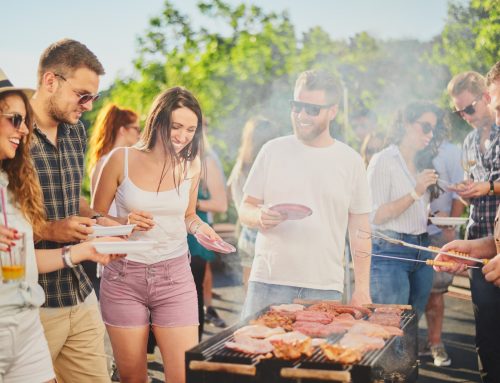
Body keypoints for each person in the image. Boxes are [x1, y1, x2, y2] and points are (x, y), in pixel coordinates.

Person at [0, 69, 123, 383]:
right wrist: (52, 231)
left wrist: (90, 242)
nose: (24, 130)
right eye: (15, 119)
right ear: (51, 81)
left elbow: (24, 255)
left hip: (33, 314)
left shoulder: (11, 182)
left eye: (24, 120)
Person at [93, 87, 221, 383]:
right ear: (157, 121)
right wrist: (123, 222)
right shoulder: (119, 159)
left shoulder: (192, 164)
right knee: (134, 378)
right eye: (176, 126)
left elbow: (188, 215)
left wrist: (202, 229)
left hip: (174, 276)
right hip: (124, 277)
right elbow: (95, 217)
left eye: (191, 129)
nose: (183, 136)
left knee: (182, 376)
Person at [238, 70, 372, 318]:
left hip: (323, 286)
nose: (301, 115)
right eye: (296, 106)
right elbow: (245, 208)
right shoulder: (272, 150)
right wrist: (258, 216)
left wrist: (362, 288)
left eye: (312, 109)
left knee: (317, 356)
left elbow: (360, 230)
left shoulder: (350, 160)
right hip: (268, 281)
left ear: (332, 111)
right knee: (252, 354)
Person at [29, 39, 121, 383]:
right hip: (33, 302)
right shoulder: (12, 135)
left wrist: (102, 220)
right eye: (82, 94)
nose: (88, 105)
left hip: (79, 292)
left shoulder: (76, 131)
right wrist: (51, 230)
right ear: (51, 81)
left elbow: (71, 198)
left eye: (93, 97)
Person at [445, 70, 500, 382]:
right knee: (486, 330)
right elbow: (476, 190)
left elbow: (489, 187)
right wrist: (466, 192)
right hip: (479, 238)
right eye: (458, 111)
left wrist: (487, 188)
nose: (464, 116)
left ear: (487, 97)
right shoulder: (467, 141)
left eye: (469, 108)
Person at [367, 101, 440, 320]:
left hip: (422, 249)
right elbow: (376, 216)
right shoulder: (383, 160)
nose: (430, 134)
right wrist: (416, 192)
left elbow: (414, 210)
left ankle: (410, 356)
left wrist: (434, 218)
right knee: (390, 329)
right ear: (407, 124)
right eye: (425, 127)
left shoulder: (422, 162)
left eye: (433, 129)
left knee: (411, 327)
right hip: (390, 251)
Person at [421, 110, 465, 367]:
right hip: (414, 231)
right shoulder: (412, 149)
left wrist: (449, 228)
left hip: (440, 234)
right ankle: (413, 344)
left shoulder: (451, 151)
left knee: (435, 294)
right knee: (414, 294)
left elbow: (459, 194)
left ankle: (436, 343)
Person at [86, 103, 141, 297]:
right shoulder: (107, 163)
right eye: (137, 129)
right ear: (123, 130)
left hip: (123, 245)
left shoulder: (110, 161)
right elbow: (97, 212)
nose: (140, 135)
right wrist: (128, 223)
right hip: (117, 248)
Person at [227, 116, 280, 291]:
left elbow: (233, 199)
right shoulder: (267, 167)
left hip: (246, 235)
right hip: (266, 235)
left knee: (250, 290)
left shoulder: (239, 167)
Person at [188, 132, 228, 340]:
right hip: (168, 236)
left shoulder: (206, 161)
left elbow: (221, 204)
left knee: (193, 294)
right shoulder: (164, 158)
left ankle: (192, 350)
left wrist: (189, 205)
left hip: (195, 237)